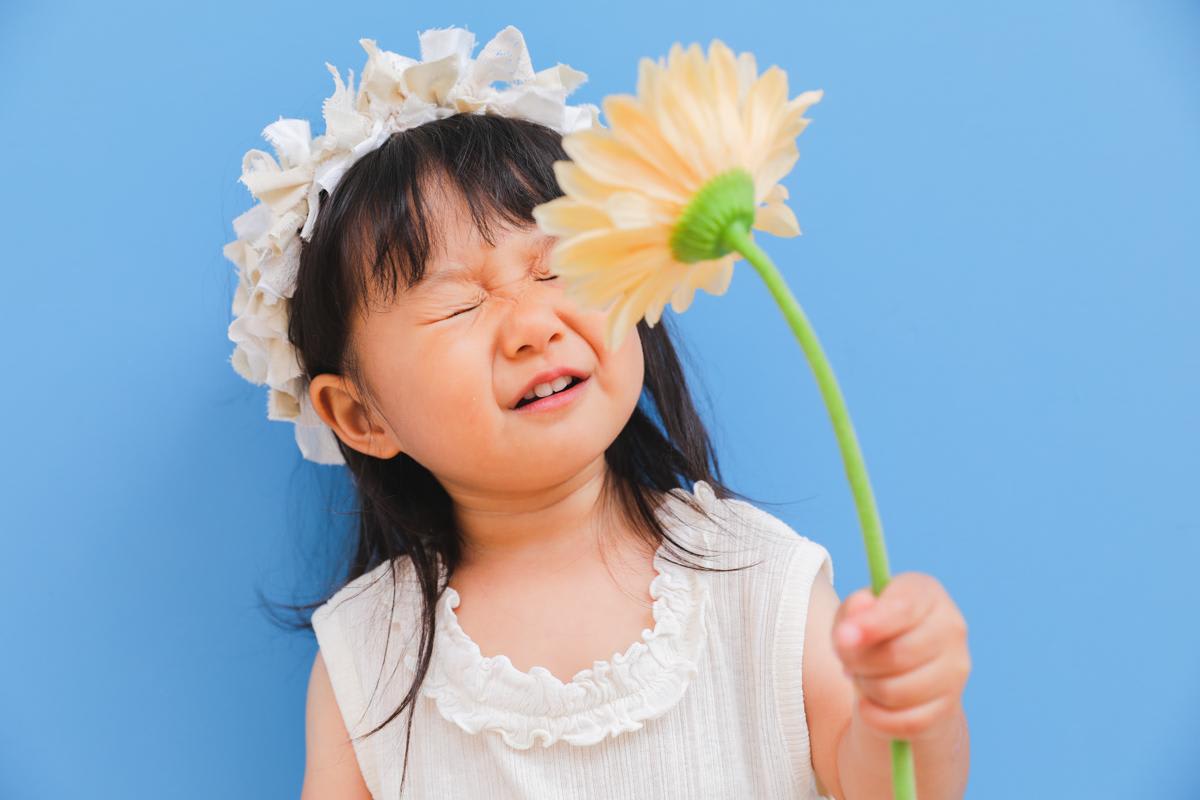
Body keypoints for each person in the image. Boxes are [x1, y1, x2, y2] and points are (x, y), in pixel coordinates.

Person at [226, 27, 971, 800]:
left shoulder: (755, 576)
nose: (533, 324)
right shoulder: (367, 659)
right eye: (459, 304)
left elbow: (890, 788)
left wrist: (905, 705)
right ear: (359, 416)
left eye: (558, 265)